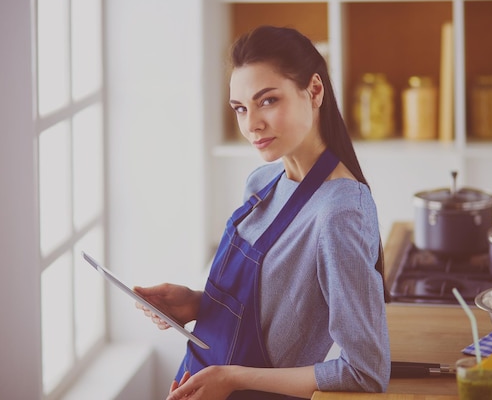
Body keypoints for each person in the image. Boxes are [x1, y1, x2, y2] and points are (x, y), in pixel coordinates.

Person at [134, 25, 390, 400]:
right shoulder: (262, 181)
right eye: (240, 108)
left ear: (314, 90)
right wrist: (197, 303)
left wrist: (233, 378)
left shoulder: (339, 213)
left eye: (267, 101)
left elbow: (365, 372)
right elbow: (275, 309)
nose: (251, 124)